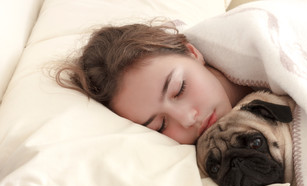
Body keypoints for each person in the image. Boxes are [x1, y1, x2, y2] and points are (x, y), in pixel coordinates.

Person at [56, 23, 253, 144]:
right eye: (161, 126)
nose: (187, 119)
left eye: (179, 89)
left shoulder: (255, 42)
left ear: (192, 52)